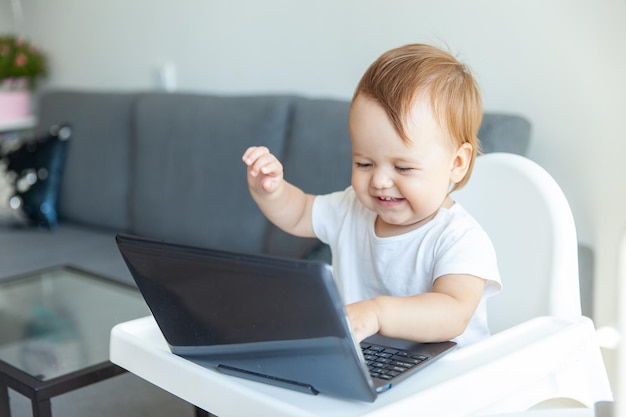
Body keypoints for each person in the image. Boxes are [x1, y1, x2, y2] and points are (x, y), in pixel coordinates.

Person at [242, 43, 501, 347]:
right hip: (371, 368)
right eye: (364, 163)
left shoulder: (460, 238)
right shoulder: (352, 208)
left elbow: (453, 312)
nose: (379, 180)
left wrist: (377, 313)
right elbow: (299, 213)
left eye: (403, 167)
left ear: (456, 164)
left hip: (449, 380)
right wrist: (271, 191)